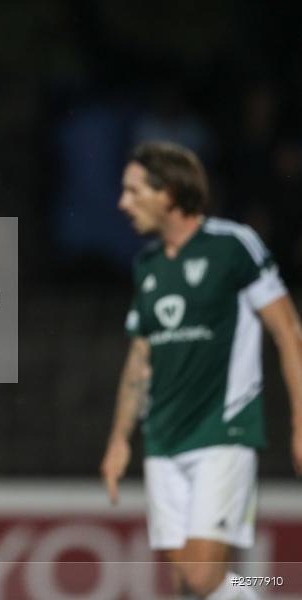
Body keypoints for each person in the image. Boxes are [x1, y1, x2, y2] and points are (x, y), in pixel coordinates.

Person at [100, 141, 302, 600]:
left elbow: (288, 331)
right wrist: (118, 439)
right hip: (162, 439)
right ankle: (261, 589)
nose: (123, 203)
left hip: (222, 431)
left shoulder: (233, 246)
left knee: (202, 577)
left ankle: (271, 590)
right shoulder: (148, 265)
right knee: (186, 584)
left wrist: (300, 421)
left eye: (133, 191)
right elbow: (140, 359)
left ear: (169, 193)